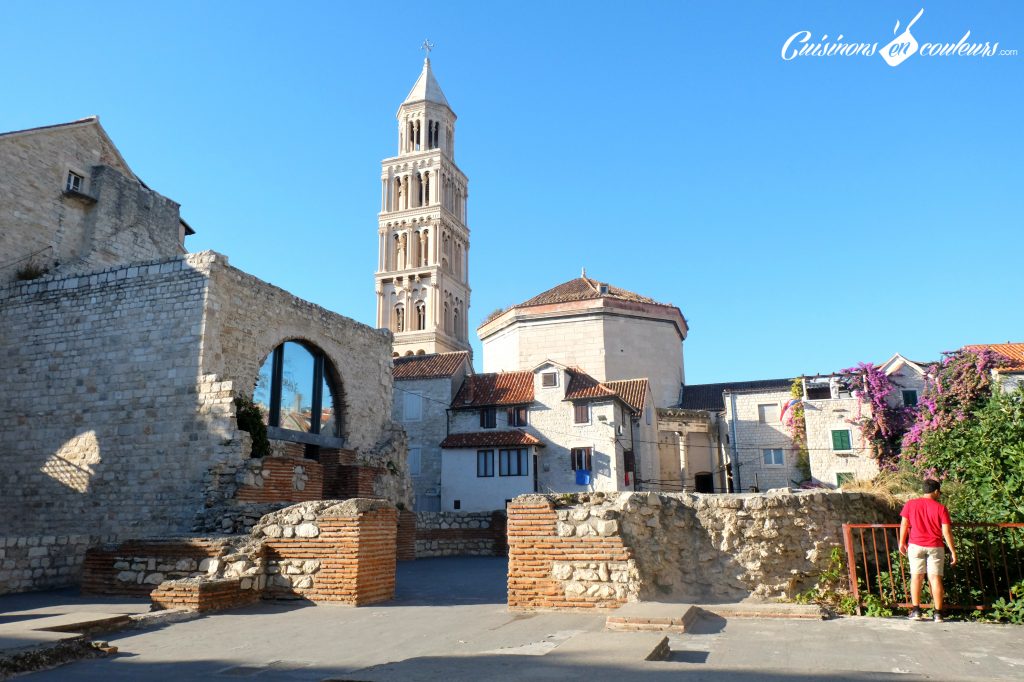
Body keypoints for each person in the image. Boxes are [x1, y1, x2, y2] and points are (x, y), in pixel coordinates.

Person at [899, 479, 957, 622]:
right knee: (935, 579)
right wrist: (953, 551)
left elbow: (904, 524)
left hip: (915, 545)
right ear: (936, 491)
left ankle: (916, 611)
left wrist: (901, 542)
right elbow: (946, 531)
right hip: (935, 546)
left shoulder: (910, 504)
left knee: (916, 577)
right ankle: (938, 614)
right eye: (939, 492)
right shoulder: (941, 508)